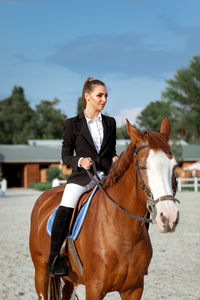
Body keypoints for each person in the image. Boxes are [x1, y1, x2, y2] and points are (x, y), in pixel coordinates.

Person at [48, 78, 118, 276]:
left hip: (107, 176)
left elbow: (110, 150)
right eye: (100, 95)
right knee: (66, 205)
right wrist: (79, 161)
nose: (104, 99)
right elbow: (65, 156)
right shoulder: (72, 124)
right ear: (87, 96)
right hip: (82, 177)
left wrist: (114, 158)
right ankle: (55, 258)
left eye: (106, 96)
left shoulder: (110, 122)